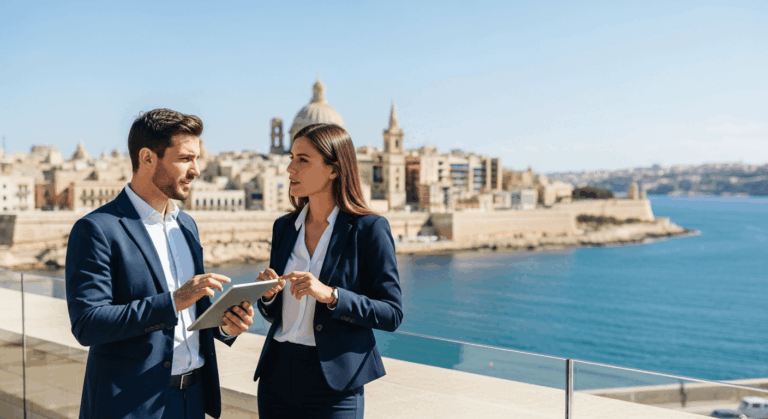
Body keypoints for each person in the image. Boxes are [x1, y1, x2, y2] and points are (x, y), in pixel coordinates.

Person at [65, 108, 254, 419]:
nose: (196, 170)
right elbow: (88, 324)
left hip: (192, 400)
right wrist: (174, 300)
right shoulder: (98, 229)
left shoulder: (187, 226)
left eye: (197, 158)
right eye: (185, 159)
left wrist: (225, 325)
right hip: (130, 405)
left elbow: (190, 317)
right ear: (147, 158)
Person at [253, 123, 404, 418]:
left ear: (334, 169)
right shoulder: (284, 228)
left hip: (335, 383)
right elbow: (274, 315)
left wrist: (332, 296)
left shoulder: (369, 229)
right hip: (277, 374)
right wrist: (268, 296)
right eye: (291, 158)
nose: (290, 169)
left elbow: (392, 313)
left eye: (303, 160)